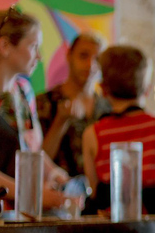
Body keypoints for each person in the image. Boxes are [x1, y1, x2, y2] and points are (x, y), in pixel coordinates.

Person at [82, 45, 155, 214]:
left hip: (113, 230)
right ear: (147, 89)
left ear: (103, 90)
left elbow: (95, 190)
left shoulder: (93, 133)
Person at [0, 7, 65, 208]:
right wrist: (26, 192)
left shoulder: (23, 91)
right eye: (33, 46)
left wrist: (53, 173)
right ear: (5, 45)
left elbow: (30, 147)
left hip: (20, 210)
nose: (39, 56)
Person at [37, 32, 110, 177]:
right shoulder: (44, 102)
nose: (90, 65)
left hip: (99, 195)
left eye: (97, 59)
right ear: (69, 56)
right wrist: (60, 121)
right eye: (83, 56)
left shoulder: (107, 107)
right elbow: (37, 162)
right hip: (57, 194)